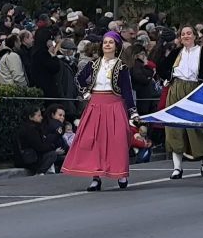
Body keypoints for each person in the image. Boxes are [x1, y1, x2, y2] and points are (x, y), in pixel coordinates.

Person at [61, 31, 138, 191]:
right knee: (94, 141)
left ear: (116, 47)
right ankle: (95, 177)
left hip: (115, 105)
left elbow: (127, 90)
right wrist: (86, 92)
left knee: (117, 140)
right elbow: (79, 79)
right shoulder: (94, 64)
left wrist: (133, 112)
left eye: (111, 42)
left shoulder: (122, 67)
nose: (107, 45)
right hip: (95, 105)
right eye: (105, 42)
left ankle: (120, 173)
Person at [158, 25, 203, 179]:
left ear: (194, 35)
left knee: (198, 126)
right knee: (174, 126)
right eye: (183, 34)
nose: (186, 36)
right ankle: (177, 167)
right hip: (177, 89)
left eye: (189, 33)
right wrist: (168, 78)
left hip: (196, 89)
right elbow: (161, 67)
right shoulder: (177, 52)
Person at [14, 106, 58, 175]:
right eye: (39, 115)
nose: (41, 118)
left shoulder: (25, 127)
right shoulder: (31, 129)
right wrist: (52, 147)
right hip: (29, 160)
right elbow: (39, 147)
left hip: (24, 158)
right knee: (53, 154)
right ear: (31, 117)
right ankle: (40, 172)